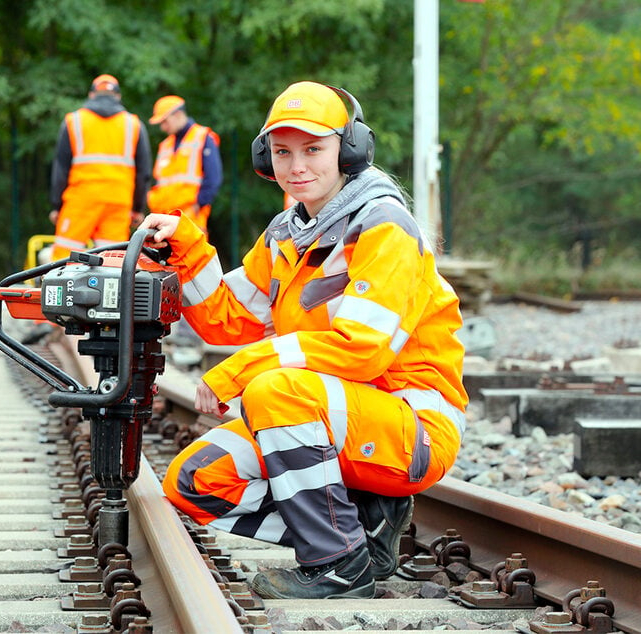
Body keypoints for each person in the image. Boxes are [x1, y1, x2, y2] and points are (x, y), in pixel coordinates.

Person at [140, 81, 468, 599]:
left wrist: (247, 367)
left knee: (274, 390)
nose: (297, 167)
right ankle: (359, 533)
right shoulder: (288, 232)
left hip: (409, 430)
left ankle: (338, 565)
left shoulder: (384, 227)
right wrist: (186, 248)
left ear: (350, 149)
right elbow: (226, 319)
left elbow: (361, 349)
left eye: (314, 149)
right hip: (329, 417)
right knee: (193, 483)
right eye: (283, 151)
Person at [48, 74, 152, 261]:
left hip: (81, 199)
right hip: (118, 201)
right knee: (112, 261)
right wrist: (137, 208)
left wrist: (57, 204)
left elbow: (61, 168)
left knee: (63, 258)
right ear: (118, 97)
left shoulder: (74, 121)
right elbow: (143, 173)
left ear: (91, 95)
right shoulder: (134, 125)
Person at [146, 95, 222, 235]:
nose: (163, 127)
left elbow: (213, 178)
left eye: (165, 121)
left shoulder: (203, 136)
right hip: (163, 220)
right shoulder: (165, 145)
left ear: (178, 114)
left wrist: (198, 205)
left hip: (190, 217)